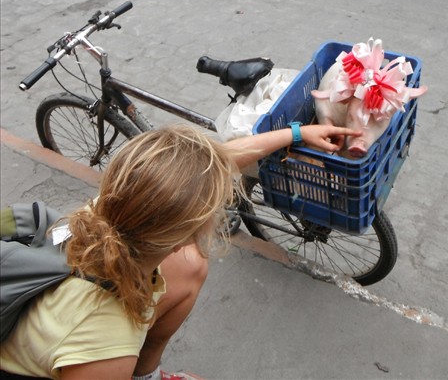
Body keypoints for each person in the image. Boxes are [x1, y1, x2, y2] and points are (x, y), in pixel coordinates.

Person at [0, 123, 361, 380]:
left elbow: (214, 166)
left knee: (189, 268)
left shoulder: (113, 209)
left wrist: (297, 134)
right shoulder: (104, 341)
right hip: (74, 349)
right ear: (181, 236)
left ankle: (147, 375)